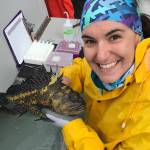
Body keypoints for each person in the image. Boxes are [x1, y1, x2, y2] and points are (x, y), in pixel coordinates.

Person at [45, 0, 150, 149]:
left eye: (114, 37)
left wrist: (73, 129)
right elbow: (82, 67)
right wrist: (65, 81)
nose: (101, 56)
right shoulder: (101, 64)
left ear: (137, 35)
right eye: (90, 41)